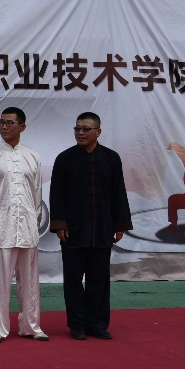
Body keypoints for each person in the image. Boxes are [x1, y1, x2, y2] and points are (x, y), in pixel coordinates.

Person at [49, 112, 132, 341]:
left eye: (86, 129)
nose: (80, 133)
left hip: (102, 230)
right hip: (72, 232)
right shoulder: (64, 159)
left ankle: (97, 324)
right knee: (73, 282)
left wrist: (119, 224)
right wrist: (59, 224)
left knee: (99, 281)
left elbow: (118, 192)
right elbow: (56, 194)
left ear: (98, 132)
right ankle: (77, 324)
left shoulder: (111, 158)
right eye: (77, 128)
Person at [0, 107, 48, 344]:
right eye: (1, 122)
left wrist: (35, 222)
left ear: (22, 127)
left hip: (27, 226)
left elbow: (37, 192)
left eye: (10, 123)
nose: (4, 127)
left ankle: (31, 326)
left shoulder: (32, 156)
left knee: (30, 280)